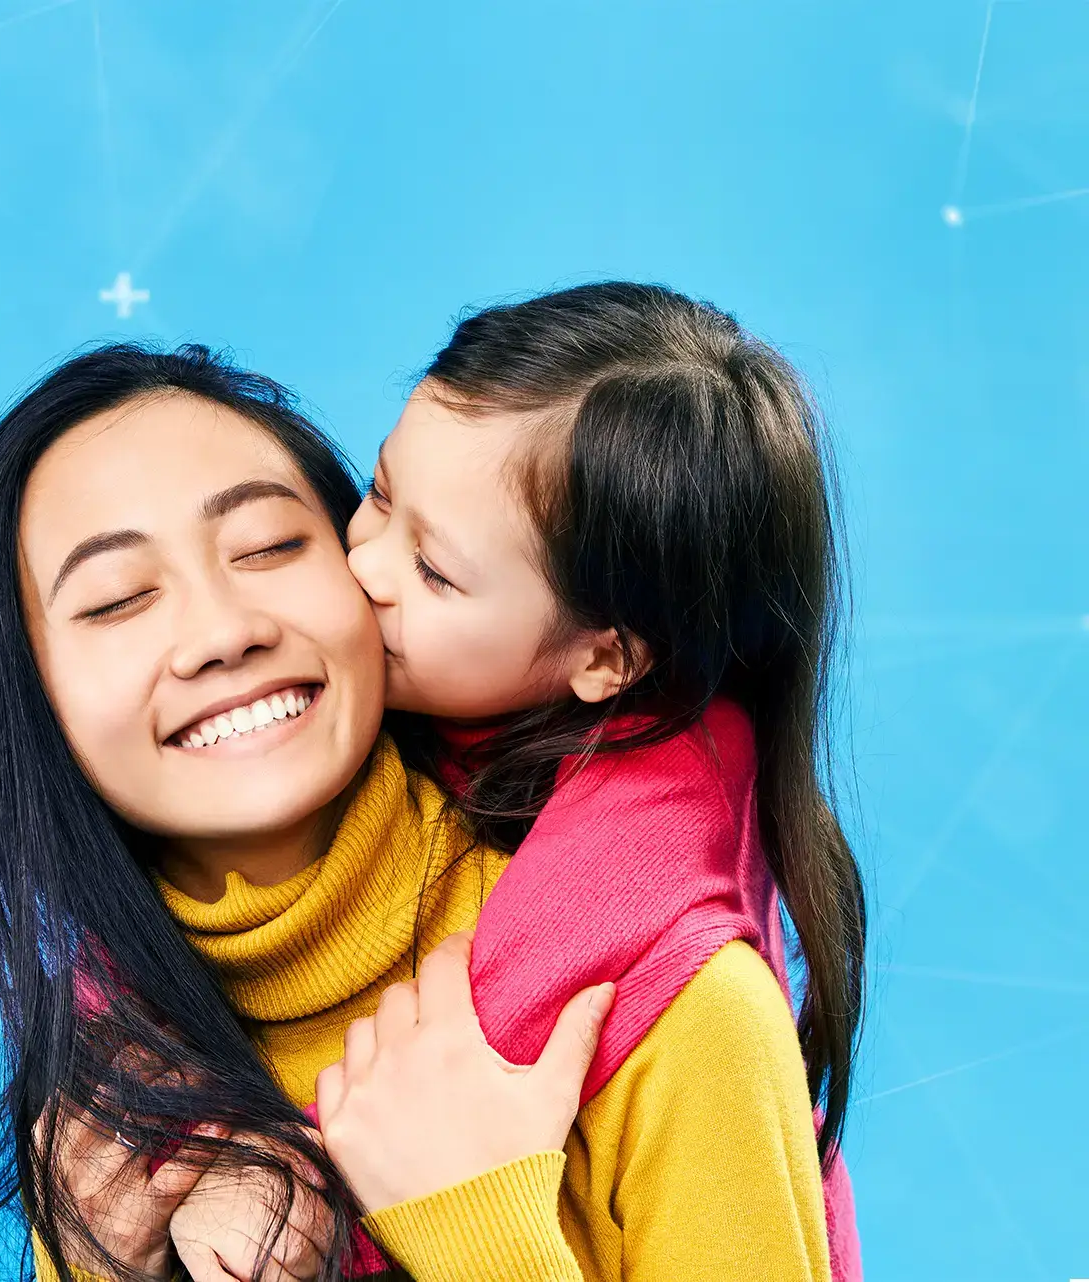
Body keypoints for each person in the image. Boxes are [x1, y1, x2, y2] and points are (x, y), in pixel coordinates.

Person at [333, 282, 867, 1280]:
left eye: (434, 571)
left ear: (605, 658)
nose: (362, 562)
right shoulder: (318, 784)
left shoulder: (695, 1012)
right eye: (378, 492)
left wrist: (484, 1238)